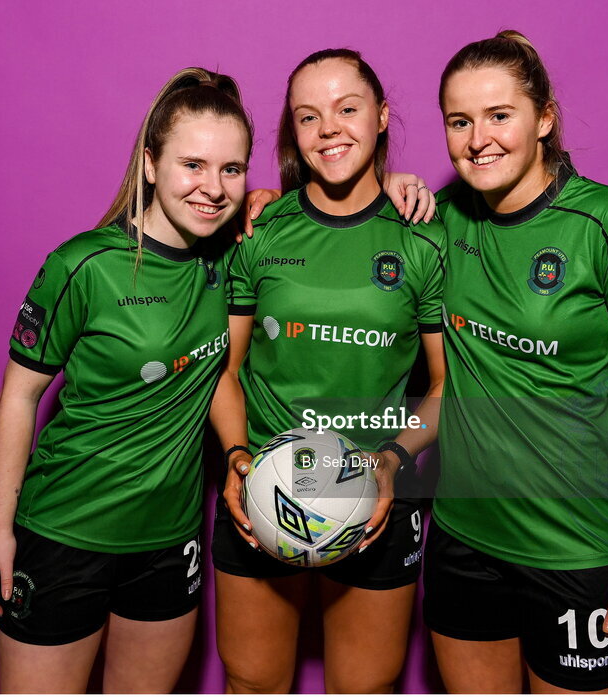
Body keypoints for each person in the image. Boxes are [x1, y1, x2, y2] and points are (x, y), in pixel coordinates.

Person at [0, 68, 253, 693]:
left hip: (168, 540)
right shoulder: (83, 265)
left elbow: (331, 206)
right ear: (151, 164)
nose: (213, 188)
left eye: (231, 170)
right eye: (193, 165)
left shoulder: (231, 261)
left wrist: (398, 183)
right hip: (66, 533)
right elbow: (19, 397)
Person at [422, 31, 608, 693]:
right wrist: (263, 202)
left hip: (576, 547)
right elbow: (346, 216)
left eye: (499, 115)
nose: (479, 138)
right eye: (460, 120)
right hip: (462, 538)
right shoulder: (440, 216)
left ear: (543, 118)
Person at [209, 49, 446, 693]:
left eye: (348, 108)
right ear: (293, 132)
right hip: (261, 493)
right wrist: (236, 460)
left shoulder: (423, 236)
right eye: (309, 117)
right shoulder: (258, 229)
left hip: (376, 501)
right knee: (252, 683)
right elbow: (224, 373)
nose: (329, 129)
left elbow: (446, 387)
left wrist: (391, 461)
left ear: (382, 115)